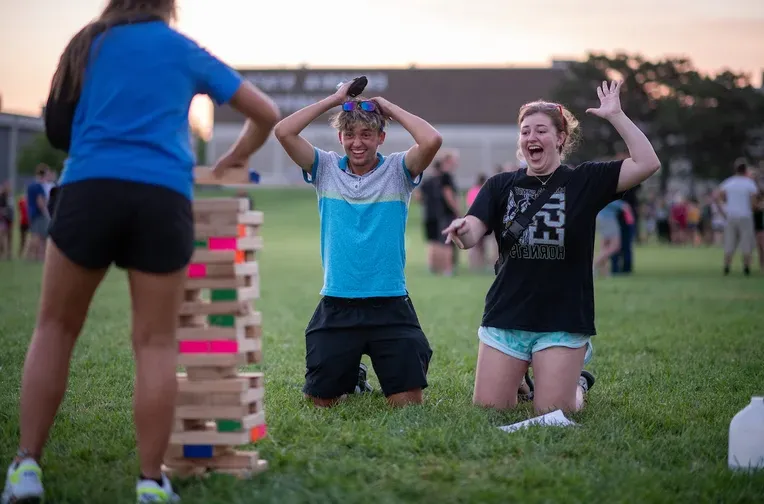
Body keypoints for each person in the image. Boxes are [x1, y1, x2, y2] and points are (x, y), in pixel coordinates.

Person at [1, 1, 281, 503]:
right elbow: (266, 112)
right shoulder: (183, 50)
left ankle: (26, 467)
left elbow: (56, 130)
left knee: (54, 329)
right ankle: (151, 482)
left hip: (90, 189)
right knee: (155, 343)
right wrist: (237, 154)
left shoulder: (88, 41)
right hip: (162, 197)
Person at [442, 80, 661, 413]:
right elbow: (474, 229)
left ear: (560, 138)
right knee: (490, 408)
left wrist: (616, 115)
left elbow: (647, 163)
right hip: (507, 314)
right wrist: (462, 229)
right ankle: (523, 377)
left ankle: (576, 383)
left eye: (541, 130)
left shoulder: (585, 181)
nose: (532, 137)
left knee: (554, 413)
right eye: (525, 131)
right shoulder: (501, 185)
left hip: (563, 318)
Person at [273, 79, 442, 408]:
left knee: (407, 404)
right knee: (321, 403)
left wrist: (387, 107)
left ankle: (358, 371)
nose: (357, 143)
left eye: (366, 135)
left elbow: (431, 139)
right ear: (341, 138)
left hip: (390, 303)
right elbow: (283, 132)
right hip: (338, 303)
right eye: (350, 135)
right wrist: (334, 99)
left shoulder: (398, 170)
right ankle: (352, 375)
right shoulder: (324, 168)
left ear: (381, 137)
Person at [713, 159, 759, 276]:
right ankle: (746, 267)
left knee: (730, 241)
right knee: (746, 242)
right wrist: (753, 208)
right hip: (745, 215)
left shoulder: (729, 182)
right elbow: (754, 201)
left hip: (731, 215)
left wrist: (723, 210)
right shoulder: (749, 183)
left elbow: (718, 196)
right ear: (745, 170)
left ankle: (727, 265)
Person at [420, 151, 461, 275]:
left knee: (435, 241)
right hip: (445, 213)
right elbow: (448, 194)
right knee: (447, 241)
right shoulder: (446, 177)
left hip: (431, 213)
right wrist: (457, 210)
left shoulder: (429, 180)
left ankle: (435, 267)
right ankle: (447, 268)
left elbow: (418, 196)